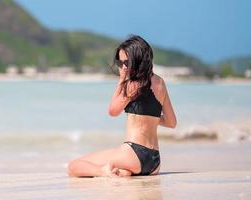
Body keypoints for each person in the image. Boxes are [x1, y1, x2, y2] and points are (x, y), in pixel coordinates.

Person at [67, 35, 177, 177]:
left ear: (138, 59)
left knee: (74, 166)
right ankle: (122, 172)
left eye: (127, 62)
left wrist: (121, 80)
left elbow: (113, 110)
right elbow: (171, 122)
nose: (123, 67)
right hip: (154, 161)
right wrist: (151, 118)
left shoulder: (132, 84)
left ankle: (103, 172)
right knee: (123, 171)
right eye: (120, 63)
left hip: (133, 153)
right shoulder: (160, 82)